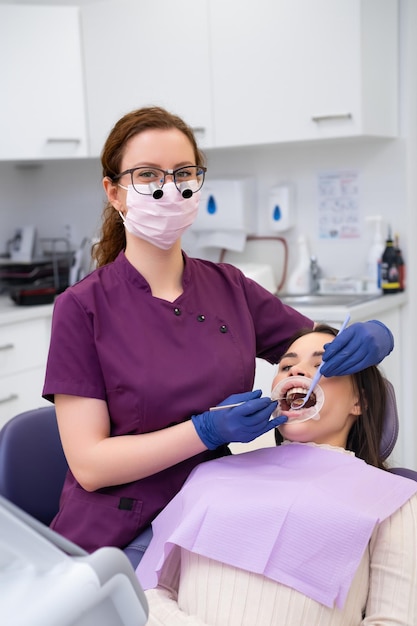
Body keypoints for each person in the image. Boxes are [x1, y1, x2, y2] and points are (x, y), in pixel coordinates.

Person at [42, 106, 394, 562]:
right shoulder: (82, 308)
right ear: (115, 192)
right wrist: (204, 431)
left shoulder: (230, 288)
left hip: (213, 507)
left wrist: (374, 336)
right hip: (118, 531)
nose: (169, 188)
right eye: (148, 175)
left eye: (183, 172)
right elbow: (90, 466)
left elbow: (314, 354)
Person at [137, 324, 417, 626]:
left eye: (322, 364)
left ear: (358, 402)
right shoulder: (210, 475)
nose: (296, 370)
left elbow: (393, 620)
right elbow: (149, 593)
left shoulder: (393, 497)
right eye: (286, 365)